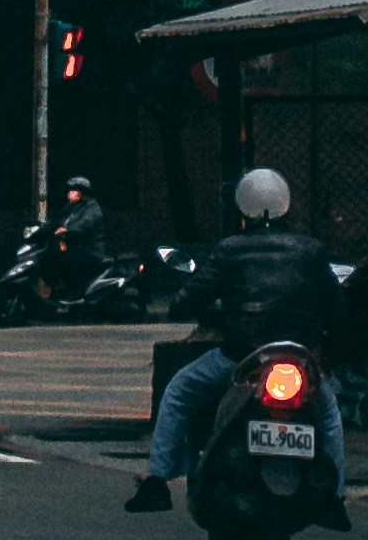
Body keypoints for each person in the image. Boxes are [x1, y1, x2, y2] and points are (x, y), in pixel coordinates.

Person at [128, 167, 349, 530]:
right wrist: (325, 351)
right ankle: (337, 500)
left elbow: (184, 301)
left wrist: (203, 306)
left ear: (243, 210)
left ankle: (156, 482)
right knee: (329, 415)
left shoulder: (231, 249)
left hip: (241, 357)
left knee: (179, 392)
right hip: (300, 359)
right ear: (286, 207)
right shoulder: (311, 250)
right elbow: (339, 312)